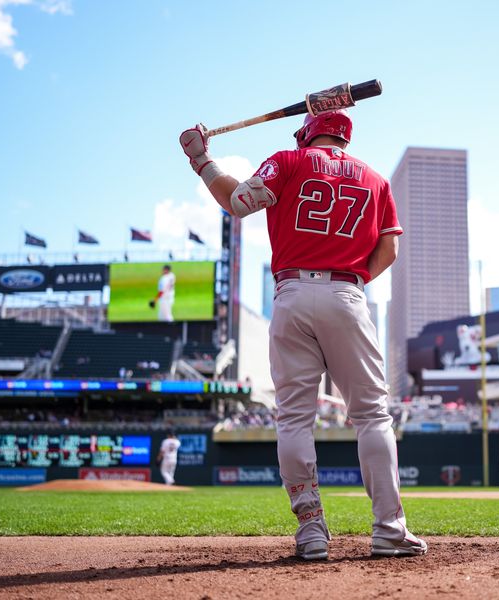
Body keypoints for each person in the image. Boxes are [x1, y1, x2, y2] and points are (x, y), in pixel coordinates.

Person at [179, 109, 425, 560]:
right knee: (372, 416)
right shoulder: (375, 180)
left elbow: (237, 203)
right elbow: (389, 247)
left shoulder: (289, 161)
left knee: (293, 418)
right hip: (347, 292)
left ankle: (311, 531)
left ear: (308, 133)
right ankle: (389, 530)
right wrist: (351, 285)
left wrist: (202, 161)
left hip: (290, 292)